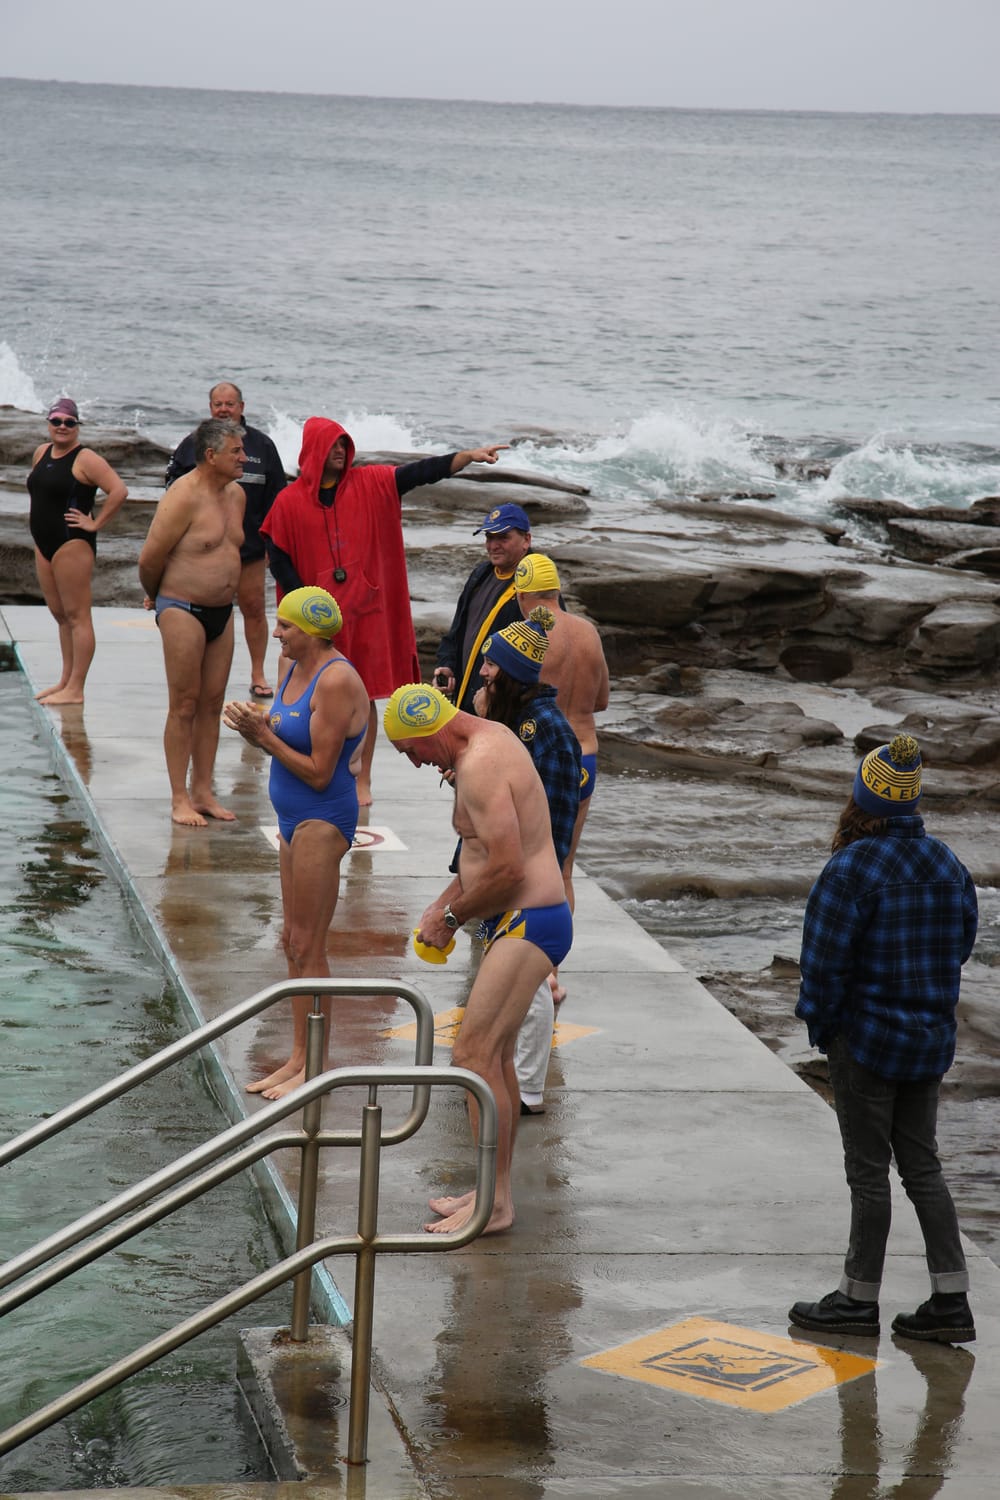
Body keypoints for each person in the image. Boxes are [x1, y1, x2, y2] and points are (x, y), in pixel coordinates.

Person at [788, 734, 978, 1344]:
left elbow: (821, 963)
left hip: (867, 1040)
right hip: (929, 1040)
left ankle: (856, 1299)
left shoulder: (851, 868)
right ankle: (951, 1299)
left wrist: (822, 1026)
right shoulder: (949, 864)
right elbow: (962, 946)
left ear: (862, 797)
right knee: (923, 1165)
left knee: (868, 1172)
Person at [383, 684, 572, 1235]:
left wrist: (451, 918)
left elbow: (509, 868)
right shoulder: (482, 747)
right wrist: (445, 902)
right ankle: (494, 1191)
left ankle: (496, 1203)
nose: (417, 762)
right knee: (495, 1061)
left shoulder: (481, 764)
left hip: (530, 921)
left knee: (473, 1056)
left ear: (430, 728)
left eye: (411, 750)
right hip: (524, 920)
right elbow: (482, 856)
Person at [261, 417, 507, 803]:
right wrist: (307, 608)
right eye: (332, 445)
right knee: (308, 695)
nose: (340, 451)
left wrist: (467, 457)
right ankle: (311, 765)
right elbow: (277, 555)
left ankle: (362, 778)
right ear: (313, 452)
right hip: (319, 622)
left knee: (364, 695)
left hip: (365, 612)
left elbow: (419, 474)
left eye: (344, 444)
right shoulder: (289, 502)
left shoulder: (370, 483)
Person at [223, 587, 369, 1100]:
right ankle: (299, 1057)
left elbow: (319, 771)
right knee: (291, 941)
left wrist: (262, 739)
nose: (277, 633)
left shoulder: (335, 679)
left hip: (321, 819)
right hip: (289, 820)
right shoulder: (291, 668)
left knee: (310, 943)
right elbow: (282, 733)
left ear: (310, 630)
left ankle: (320, 1065)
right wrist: (254, 725)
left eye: (285, 625)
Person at [475, 607, 581, 1114]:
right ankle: (510, 1076)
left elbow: (553, 823)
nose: (484, 671)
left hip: (528, 884)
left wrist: (539, 877)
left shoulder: (550, 732)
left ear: (513, 673)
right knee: (508, 981)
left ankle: (529, 1088)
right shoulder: (513, 719)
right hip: (507, 876)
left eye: (492, 666)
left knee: (532, 986)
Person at [138, 417, 246, 827]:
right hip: (182, 606)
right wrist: (156, 596)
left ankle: (203, 790)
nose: (243, 457)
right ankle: (179, 797)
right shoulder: (182, 496)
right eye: (236, 451)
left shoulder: (236, 496)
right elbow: (149, 557)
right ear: (210, 455)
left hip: (223, 611)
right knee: (184, 703)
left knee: (213, 702)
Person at [165, 381, 287, 699]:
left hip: (249, 548)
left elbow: (280, 498)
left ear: (242, 407)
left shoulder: (262, 446)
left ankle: (258, 673)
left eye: (229, 404)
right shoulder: (193, 444)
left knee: (254, 609)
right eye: (217, 404)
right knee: (203, 609)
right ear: (210, 408)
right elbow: (171, 487)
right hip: (201, 550)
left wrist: (275, 545)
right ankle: (199, 673)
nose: (223, 409)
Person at [514, 552, 609, 917]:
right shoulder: (588, 632)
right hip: (584, 755)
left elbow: (508, 706)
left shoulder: (529, 636)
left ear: (523, 595)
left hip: (544, 756)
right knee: (563, 868)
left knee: (526, 862)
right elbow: (601, 701)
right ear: (555, 591)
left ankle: (518, 952)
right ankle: (554, 969)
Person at [27, 397, 128, 704]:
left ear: (77, 426)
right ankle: (65, 681)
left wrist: (94, 523)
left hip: (72, 543)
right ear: (48, 423)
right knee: (60, 615)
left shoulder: (86, 459)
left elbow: (119, 490)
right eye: (56, 421)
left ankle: (77, 689)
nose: (62, 427)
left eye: (69, 422)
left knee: (77, 616)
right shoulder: (41, 452)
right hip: (43, 543)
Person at [434, 502, 533, 715]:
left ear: (526, 540)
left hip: (502, 711)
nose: (493, 545)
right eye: (489, 537)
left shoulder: (535, 585)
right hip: (465, 705)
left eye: (503, 538)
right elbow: (455, 634)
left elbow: (543, 659)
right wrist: (447, 665)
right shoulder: (481, 574)